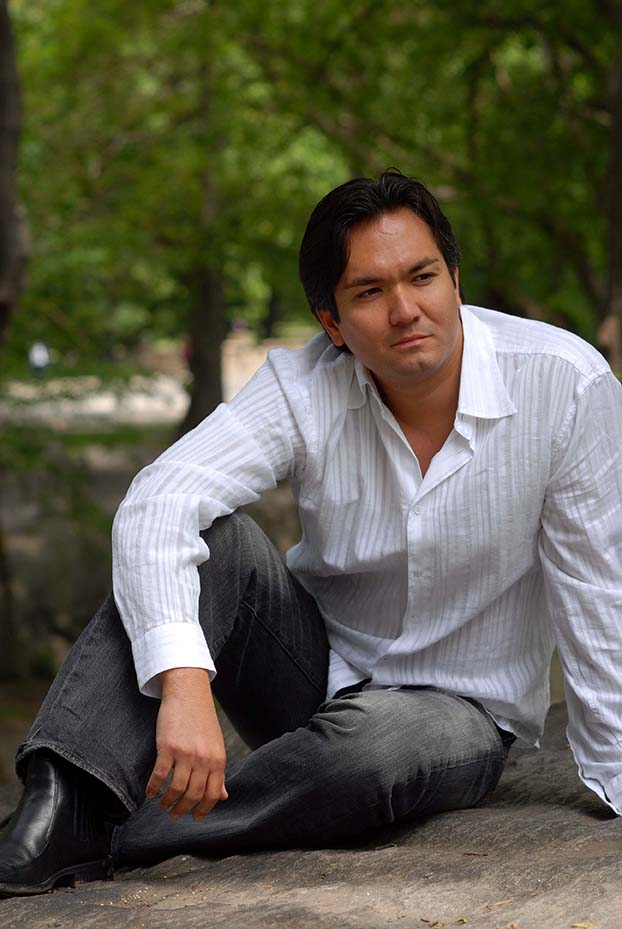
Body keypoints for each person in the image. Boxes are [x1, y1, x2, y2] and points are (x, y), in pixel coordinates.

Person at [2, 170, 621, 897]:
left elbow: (598, 588)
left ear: (455, 281)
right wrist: (184, 682)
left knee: (376, 746)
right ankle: (64, 797)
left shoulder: (565, 384)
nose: (405, 310)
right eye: (370, 292)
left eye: (422, 277)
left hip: (460, 713)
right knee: (213, 538)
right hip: (312, 668)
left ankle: (119, 832)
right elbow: (159, 498)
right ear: (332, 323)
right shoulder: (304, 385)